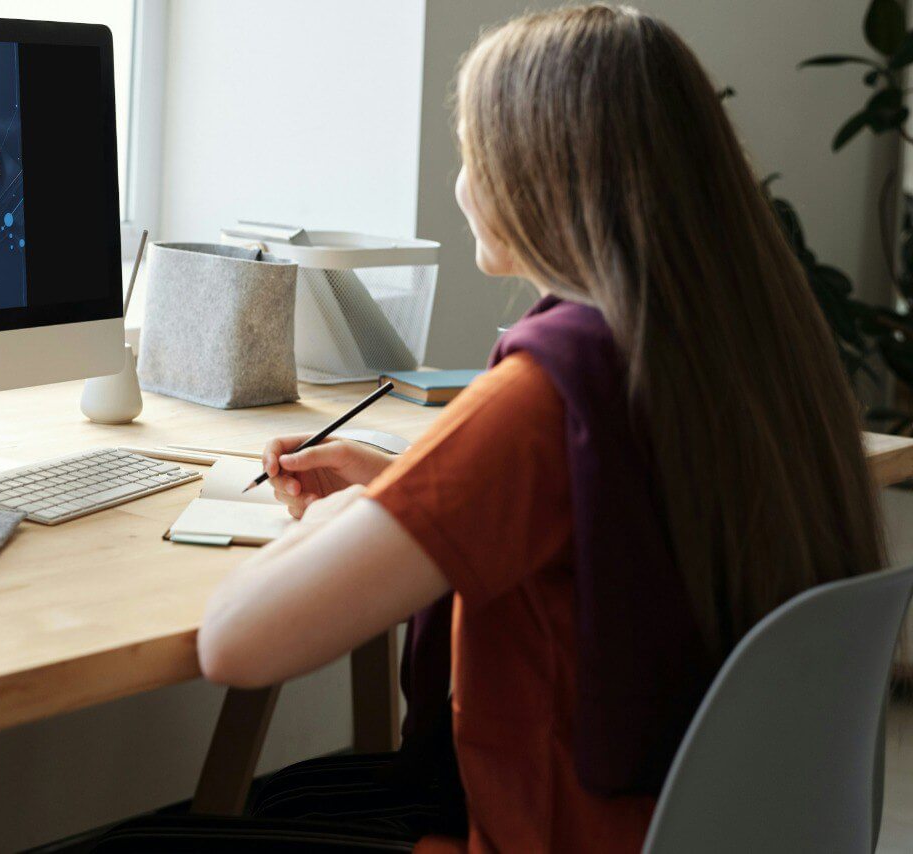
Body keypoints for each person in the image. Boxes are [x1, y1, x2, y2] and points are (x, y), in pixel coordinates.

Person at [90, 4, 883, 852]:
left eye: (476, 155)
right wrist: (416, 496)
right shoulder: (757, 350)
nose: (463, 184)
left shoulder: (554, 392)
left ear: (542, 174)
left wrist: (347, 517)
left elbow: (234, 644)